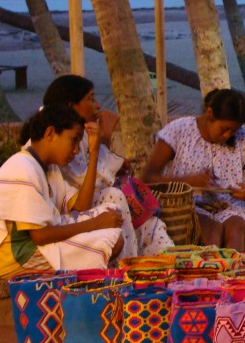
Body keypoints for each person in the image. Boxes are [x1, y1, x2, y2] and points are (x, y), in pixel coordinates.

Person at [33, 75, 173, 258]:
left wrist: (111, 155)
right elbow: (92, 186)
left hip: (77, 210)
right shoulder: (59, 137)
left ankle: (167, 261)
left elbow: (102, 173)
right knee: (113, 197)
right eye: (90, 98)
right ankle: (127, 267)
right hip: (69, 218)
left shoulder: (77, 131)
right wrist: (103, 139)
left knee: (151, 223)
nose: (97, 105)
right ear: (70, 106)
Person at [0, 105, 124, 279]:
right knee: (112, 240)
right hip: (15, 258)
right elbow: (40, 236)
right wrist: (95, 224)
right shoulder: (22, 168)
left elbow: (80, 207)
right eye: (73, 140)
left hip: (30, 248)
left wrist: (94, 153)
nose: (76, 150)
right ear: (50, 133)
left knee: (110, 213)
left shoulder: (46, 169)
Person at [142, 89, 245, 250]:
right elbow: (147, 177)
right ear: (210, 113)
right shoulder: (179, 130)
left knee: (236, 230)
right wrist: (188, 182)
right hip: (189, 208)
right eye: (224, 128)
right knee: (211, 234)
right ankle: (209, 271)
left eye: (233, 131)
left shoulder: (243, 135)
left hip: (230, 208)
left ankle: (236, 272)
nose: (227, 135)